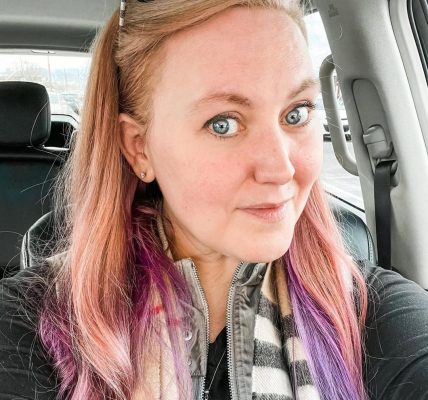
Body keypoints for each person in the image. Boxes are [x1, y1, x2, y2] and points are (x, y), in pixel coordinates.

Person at [1, 0, 428, 399]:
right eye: (223, 123)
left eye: (296, 113)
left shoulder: (370, 314)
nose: (281, 168)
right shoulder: (31, 325)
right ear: (139, 148)